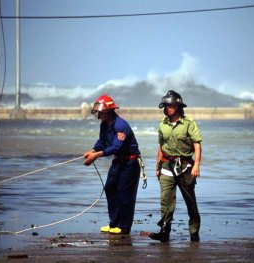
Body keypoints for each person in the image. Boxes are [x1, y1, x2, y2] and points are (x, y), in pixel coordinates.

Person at [84, 94, 141, 235]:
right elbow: (102, 142)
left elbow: (117, 147)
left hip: (130, 162)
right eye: (99, 112)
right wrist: (93, 150)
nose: (100, 115)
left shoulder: (120, 125)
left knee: (124, 194)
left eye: (102, 112)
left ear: (109, 111)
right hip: (119, 161)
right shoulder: (104, 125)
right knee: (110, 188)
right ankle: (114, 223)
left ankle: (123, 227)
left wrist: (96, 156)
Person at [150, 90, 202, 242]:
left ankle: (194, 231)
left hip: (185, 166)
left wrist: (196, 165)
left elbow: (197, 145)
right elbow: (161, 147)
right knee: (165, 200)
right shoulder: (162, 125)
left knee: (190, 201)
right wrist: (157, 167)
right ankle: (164, 232)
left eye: (171, 105)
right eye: (166, 105)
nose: (168, 108)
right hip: (166, 166)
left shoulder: (189, 123)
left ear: (178, 106)